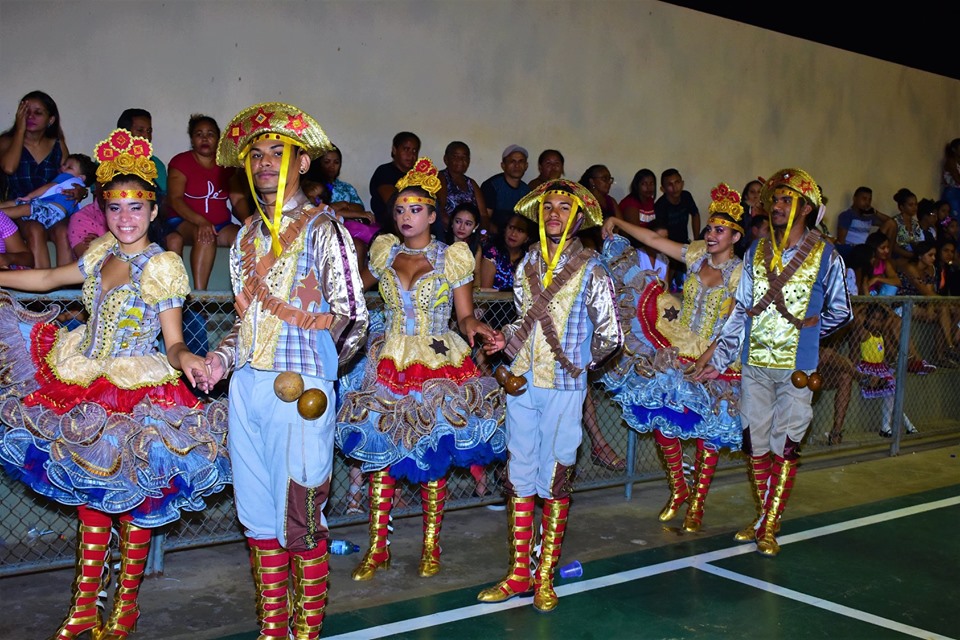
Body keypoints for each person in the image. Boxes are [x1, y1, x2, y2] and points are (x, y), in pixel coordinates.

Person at [0, 128, 229, 639]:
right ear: (104, 211)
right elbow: (46, 278)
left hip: (134, 390)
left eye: (135, 208)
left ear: (152, 212)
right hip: (84, 377)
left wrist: (187, 355)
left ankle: (124, 608)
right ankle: (84, 607)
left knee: (133, 501)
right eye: (115, 207)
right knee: (91, 499)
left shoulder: (163, 265)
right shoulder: (101, 252)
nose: (124, 218)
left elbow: (171, 341)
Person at [199, 102, 368, 640]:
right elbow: (242, 323)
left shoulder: (325, 228)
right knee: (258, 517)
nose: (266, 163)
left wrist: (318, 375)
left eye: (279, 153)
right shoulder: (245, 236)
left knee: (300, 516)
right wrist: (220, 362)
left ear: (302, 164)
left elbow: (354, 317)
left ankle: (307, 630)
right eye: (257, 155)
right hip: (246, 386)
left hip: (300, 394)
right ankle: (274, 627)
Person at [336, 158, 505, 581]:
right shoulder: (384, 253)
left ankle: (431, 545)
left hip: (436, 361)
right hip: (388, 358)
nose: (406, 217)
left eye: (416, 209)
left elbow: (463, 317)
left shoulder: (453, 258)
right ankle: (378, 548)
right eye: (399, 209)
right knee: (381, 456)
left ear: (433, 215)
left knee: (433, 455)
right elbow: (351, 293)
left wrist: (477, 326)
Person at [476, 179, 622, 613]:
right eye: (548, 207)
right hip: (521, 384)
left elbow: (610, 335)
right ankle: (519, 572)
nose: (554, 213)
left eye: (564, 207)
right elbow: (525, 318)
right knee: (520, 474)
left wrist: (580, 366)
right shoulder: (528, 265)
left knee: (555, 477)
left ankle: (544, 576)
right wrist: (506, 343)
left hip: (562, 389)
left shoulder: (593, 269)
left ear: (578, 218)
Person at [698, 168, 852, 557]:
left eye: (786, 201)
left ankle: (769, 523)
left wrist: (809, 339)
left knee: (787, 444)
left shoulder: (827, 255)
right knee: (756, 443)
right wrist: (720, 357)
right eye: (775, 201)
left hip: (798, 371)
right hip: (754, 364)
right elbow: (741, 311)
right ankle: (764, 514)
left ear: (805, 209)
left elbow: (841, 311)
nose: (777, 207)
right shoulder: (756, 250)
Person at [601, 183, 745, 532]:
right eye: (709, 228)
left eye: (719, 230)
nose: (711, 235)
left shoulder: (743, 274)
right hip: (677, 346)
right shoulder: (697, 255)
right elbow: (652, 241)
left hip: (717, 355)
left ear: (735, 236)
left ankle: (697, 503)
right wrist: (618, 221)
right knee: (662, 416)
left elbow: (738, 321)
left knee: (708, 431)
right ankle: (680, 487)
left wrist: (712, 357)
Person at [0, 91, 82, 268]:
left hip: (50, 207)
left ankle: (64, 288)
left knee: (63, 231)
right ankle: (39, 290)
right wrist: (20, 131)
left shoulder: (57, 144)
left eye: (38, 112)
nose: (30, 116)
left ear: (50, 119)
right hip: (19, 207)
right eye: (26, 111)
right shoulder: (7, 141)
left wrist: (80, 192)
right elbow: (8, 168)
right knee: (34, 229)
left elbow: (70, 177)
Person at [165, 114, 248, 290]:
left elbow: (237, 198)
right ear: (192, 139)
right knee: (205, 236)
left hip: (221, 225)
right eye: (199, 134)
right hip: (183, 222)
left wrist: (248, 221)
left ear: (218, 139)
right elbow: (175, 199)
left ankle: (246, 295)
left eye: (210, 134)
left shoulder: (226, 165)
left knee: (245, 239)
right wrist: (201, 221)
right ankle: (200, 298)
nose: (205, 138)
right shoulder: (181, 162)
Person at [0, 153, 96, 228]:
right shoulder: (78, 191)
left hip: (49, 210)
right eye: (64, 164)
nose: (63, 168)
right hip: (56, 219)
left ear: (81, 177)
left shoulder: (66, 177)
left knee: (22, 207)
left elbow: (48, 187)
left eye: (69, 167)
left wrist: (29, 196)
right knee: (18, 204)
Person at [655, 168, 700, 289]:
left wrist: (696, 240)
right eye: (669, 184)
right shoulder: (660, 205)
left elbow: (695, 214)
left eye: (677, 182)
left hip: (684, 242)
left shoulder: (686, 196)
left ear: (682, 183)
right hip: (668, 246)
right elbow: (661, 234)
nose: (674, 187)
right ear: (663, 189)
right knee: (670, 272)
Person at [369, 131, 420, 230]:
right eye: (406, 149)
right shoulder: (384, 171)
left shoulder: (418, 175)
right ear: (394, 150)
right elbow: (395, 203)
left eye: (414, 151)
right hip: (391, 226)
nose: (410, 155)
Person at [437, 141, 487, 233]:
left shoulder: (471, 183)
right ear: (446, 159)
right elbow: (440, 210)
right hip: (448, 233)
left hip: (471, 233)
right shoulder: (441, 178)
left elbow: (483, 214)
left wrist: (482, 232)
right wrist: (458, 231)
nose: (460, 160)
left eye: (464, 157)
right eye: (455, 156)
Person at [116, 108, 168, 198]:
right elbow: (99, 204)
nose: (146, 136)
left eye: (149, 131)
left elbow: (164, 201)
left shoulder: (157, 164)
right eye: (140, 130)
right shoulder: (107, 161)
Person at [481, 144, 530, 235]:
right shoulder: (492, 186)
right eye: (512, 161)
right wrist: (502, 235)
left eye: (521, 161)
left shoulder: (526, 190)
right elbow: (485, 219)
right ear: (503, 165)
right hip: (494, 240)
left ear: (526, 166)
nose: (517, 165)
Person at [834, 187, 892, 254]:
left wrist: (875, 212)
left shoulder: (869, 216)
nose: (867, 202)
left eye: (869, 200)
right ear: (854, 199)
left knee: (891, 224)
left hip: (868, 249)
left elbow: (890, 222)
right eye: (864, 199)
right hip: (853, 250)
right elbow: (841, 242)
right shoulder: (847, 215)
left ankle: (888, 255)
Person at [578, 164, 621, 250]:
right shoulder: (583, 200)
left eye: (609, 179)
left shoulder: (611, 201)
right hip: (588, 240)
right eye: (604, 179)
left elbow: (621, 225)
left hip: (610, 239)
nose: (608, 182)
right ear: (592, 181)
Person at [890, 187, 923, 263]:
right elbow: (893, 246)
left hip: (912, 257)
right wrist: (910, 255)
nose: (914, 207)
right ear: (902, 207)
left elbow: (918, 242)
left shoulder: (915, 224)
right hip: (897, 258)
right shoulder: (895, 222)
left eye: (916, 204)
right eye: (911, 205)